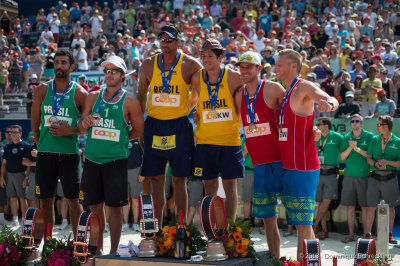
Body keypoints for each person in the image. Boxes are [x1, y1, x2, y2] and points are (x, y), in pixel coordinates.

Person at [275, 49, 338, 259]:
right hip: (290, 167)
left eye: (279, 65)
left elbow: (327, 97)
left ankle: (304, 262)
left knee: (303, 225)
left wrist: (328, 103)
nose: (275, 68)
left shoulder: (303, 86)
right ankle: (311, 261)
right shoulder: (286, 92)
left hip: (303, 166)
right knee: (302, 224)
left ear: (293, 66)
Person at [137, 24, 202, 224]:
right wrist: (140, 128)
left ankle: (180, 226)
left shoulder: (190, 64)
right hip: (154, 124)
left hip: (179, 125)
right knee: (156, 179)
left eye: (170, 40)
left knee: (179, 179)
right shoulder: (148, 64)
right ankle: (156, 228)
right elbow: (140, 97)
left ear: (178, 41)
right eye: (162, 39)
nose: (166, 43)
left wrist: (186, 109)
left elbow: (197, 94)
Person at [78, 55, 144, 254]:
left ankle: (114, 251)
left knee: (115, 208)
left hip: (115, 161)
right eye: (106, 71)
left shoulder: (130, 100)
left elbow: (139, 131)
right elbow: (80, 128)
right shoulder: (92, 96)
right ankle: (97, 249)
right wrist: (85, 124)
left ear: (123, 75)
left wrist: (122, 140)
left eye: (113, 70)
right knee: (95, 207)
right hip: (91, 158)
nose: (109, 74)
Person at [31, 49, 88, 238]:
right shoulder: (42, 89)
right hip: (46, 153)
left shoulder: (80, 93)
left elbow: (87, 126)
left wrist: (70, 130)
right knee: (45, 201)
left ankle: (78, 244)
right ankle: (48, 243)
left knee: (73, 201)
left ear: (71, 66)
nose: (59, 66)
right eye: (57, 62)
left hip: (70, 154)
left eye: (63, 62)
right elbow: (34, 122)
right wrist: (41, 145)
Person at [235, 51, 286, 258]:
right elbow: (237, 124)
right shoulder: (240, 95)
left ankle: (306, 260)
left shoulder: (273, 88)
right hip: (259, 165)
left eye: (249, 67)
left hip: (282, 162)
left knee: (301, 220)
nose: (244, 70)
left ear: (259, 68)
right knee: (269, 219)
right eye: (242, 67)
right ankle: (275, 261)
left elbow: (292, 114)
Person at [190, 39, 244, 221]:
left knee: (230, 186)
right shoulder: (197, 77)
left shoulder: (234, 76)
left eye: (210, 56)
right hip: (206, 141)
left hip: (230, 140)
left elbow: (246, 102)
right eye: (203, 56)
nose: (206, 60)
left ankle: (229, 228)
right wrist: (194, 113)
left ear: (221, 57)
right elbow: (193, 100)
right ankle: (211, 227)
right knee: (210, 185)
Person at [365, 115, 400, 244]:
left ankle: (389, 234)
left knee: (390, 207)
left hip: (390, 177)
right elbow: (368, 158)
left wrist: (387, 162)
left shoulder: (397, 141)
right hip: (374, 177)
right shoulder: (374, 140)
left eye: (379, 125)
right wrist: (375, 164)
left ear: (386, 126)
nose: (377, 127)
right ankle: (367, 234)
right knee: (370, 207)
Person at [340, 114, 374, 243]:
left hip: (364, 176)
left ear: (362, 123)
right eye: (352, 121)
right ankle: (351, 235)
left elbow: (370, 155)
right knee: (350, 206)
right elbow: (342, 157)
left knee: (365, 207)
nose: (354, 123)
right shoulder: (346, 137)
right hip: (349, 176)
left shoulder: (369, 136)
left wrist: (357, 148)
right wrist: (350, 147)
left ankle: (366, 235)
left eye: (357, 121)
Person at [313, 118, 344, 240]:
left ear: (326, 126)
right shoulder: (316, 137)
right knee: (321, 203)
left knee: (327, 201)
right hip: (318, 172)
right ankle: (324, 230)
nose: (317, 126)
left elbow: (344, 152)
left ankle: (315, 225)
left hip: (331, 173)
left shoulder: (337, 137)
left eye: (318, 124)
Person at [0, 125, 30, 228]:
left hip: (21, 174)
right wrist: (2, 177)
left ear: (20, 133)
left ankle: (25, 220)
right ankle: (15, 219)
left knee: (22, 198)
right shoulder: (7, 147)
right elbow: (4, 163)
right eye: (11, 132)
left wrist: (26, 178)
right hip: (9, 174)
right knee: (12, 198)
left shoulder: (26, 145)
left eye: (15, 132)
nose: (12, 134)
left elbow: (28, 164)